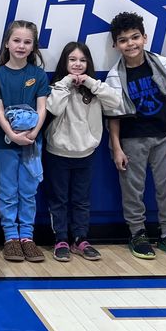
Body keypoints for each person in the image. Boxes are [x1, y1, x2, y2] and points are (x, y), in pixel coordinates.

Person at [105, 12, 166, 260]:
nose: (130, 44)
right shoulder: (114, 77)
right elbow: (113, 115)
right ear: (115, 45)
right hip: (132, 140)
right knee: (133, 189)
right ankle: (137, 233)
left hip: (164, 136)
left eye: (135, 37)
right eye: (123, 40)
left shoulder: (162, 66)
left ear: (144, 37)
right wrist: (117, 148)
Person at [44, 42, 119, 262]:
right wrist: (66, 83)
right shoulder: (57, 87)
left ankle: (80, 238)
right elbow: (53, 108)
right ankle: (60, 239)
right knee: (58, 199)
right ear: (64, 63)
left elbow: (116, 101)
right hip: (58, 153)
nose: (77, 64)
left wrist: (90, 82)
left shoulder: (95, 88)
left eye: (82, 60)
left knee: (81, 200)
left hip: (86, 153)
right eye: (72, 60)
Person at [0, 20, 50, 264]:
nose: (21, 45)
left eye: (27, 42)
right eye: (16, 40)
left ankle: (27, 237)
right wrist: (12, 134)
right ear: (7, 43)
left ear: (33, 47)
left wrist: (34, 133)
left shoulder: (37, 75)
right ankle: (10, 238)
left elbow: (42, 108)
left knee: (28, 191)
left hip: (31, 143)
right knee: (7, 192)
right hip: (4, 143)